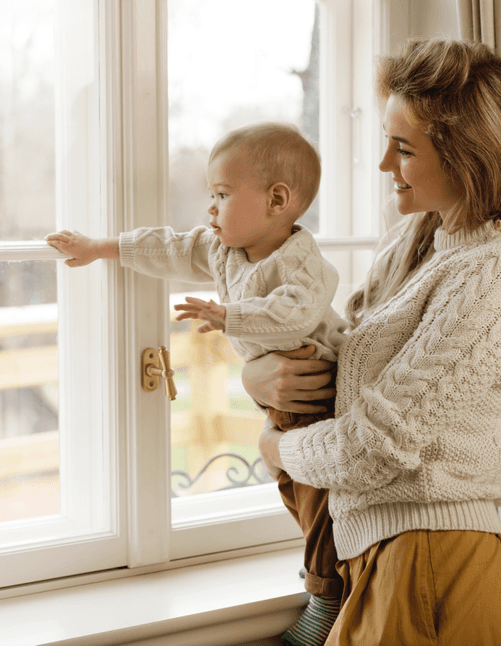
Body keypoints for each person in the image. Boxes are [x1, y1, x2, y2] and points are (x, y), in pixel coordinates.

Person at [45, 122, 349, 645]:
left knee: (321, 497)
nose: (211, 207)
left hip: (321, 396)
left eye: (223, 194)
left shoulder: (304, 263)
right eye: (211, 194)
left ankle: (326, 595)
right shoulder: (224, 249)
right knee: (292, 489)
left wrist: (228, 316)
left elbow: (295, 316)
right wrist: (101, 247)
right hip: (281, 401)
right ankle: (322, 573)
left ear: (278, 200)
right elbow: (170, 248)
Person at [245, 38, 501, 646]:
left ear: (467, 157)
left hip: (434, 562)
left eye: (404, 149)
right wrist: (258, 379)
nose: (384, 164)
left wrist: (277, 449)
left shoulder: (487, 276)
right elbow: (344, 365)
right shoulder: (414, 238)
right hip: (384, 557)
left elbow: (372, 451)